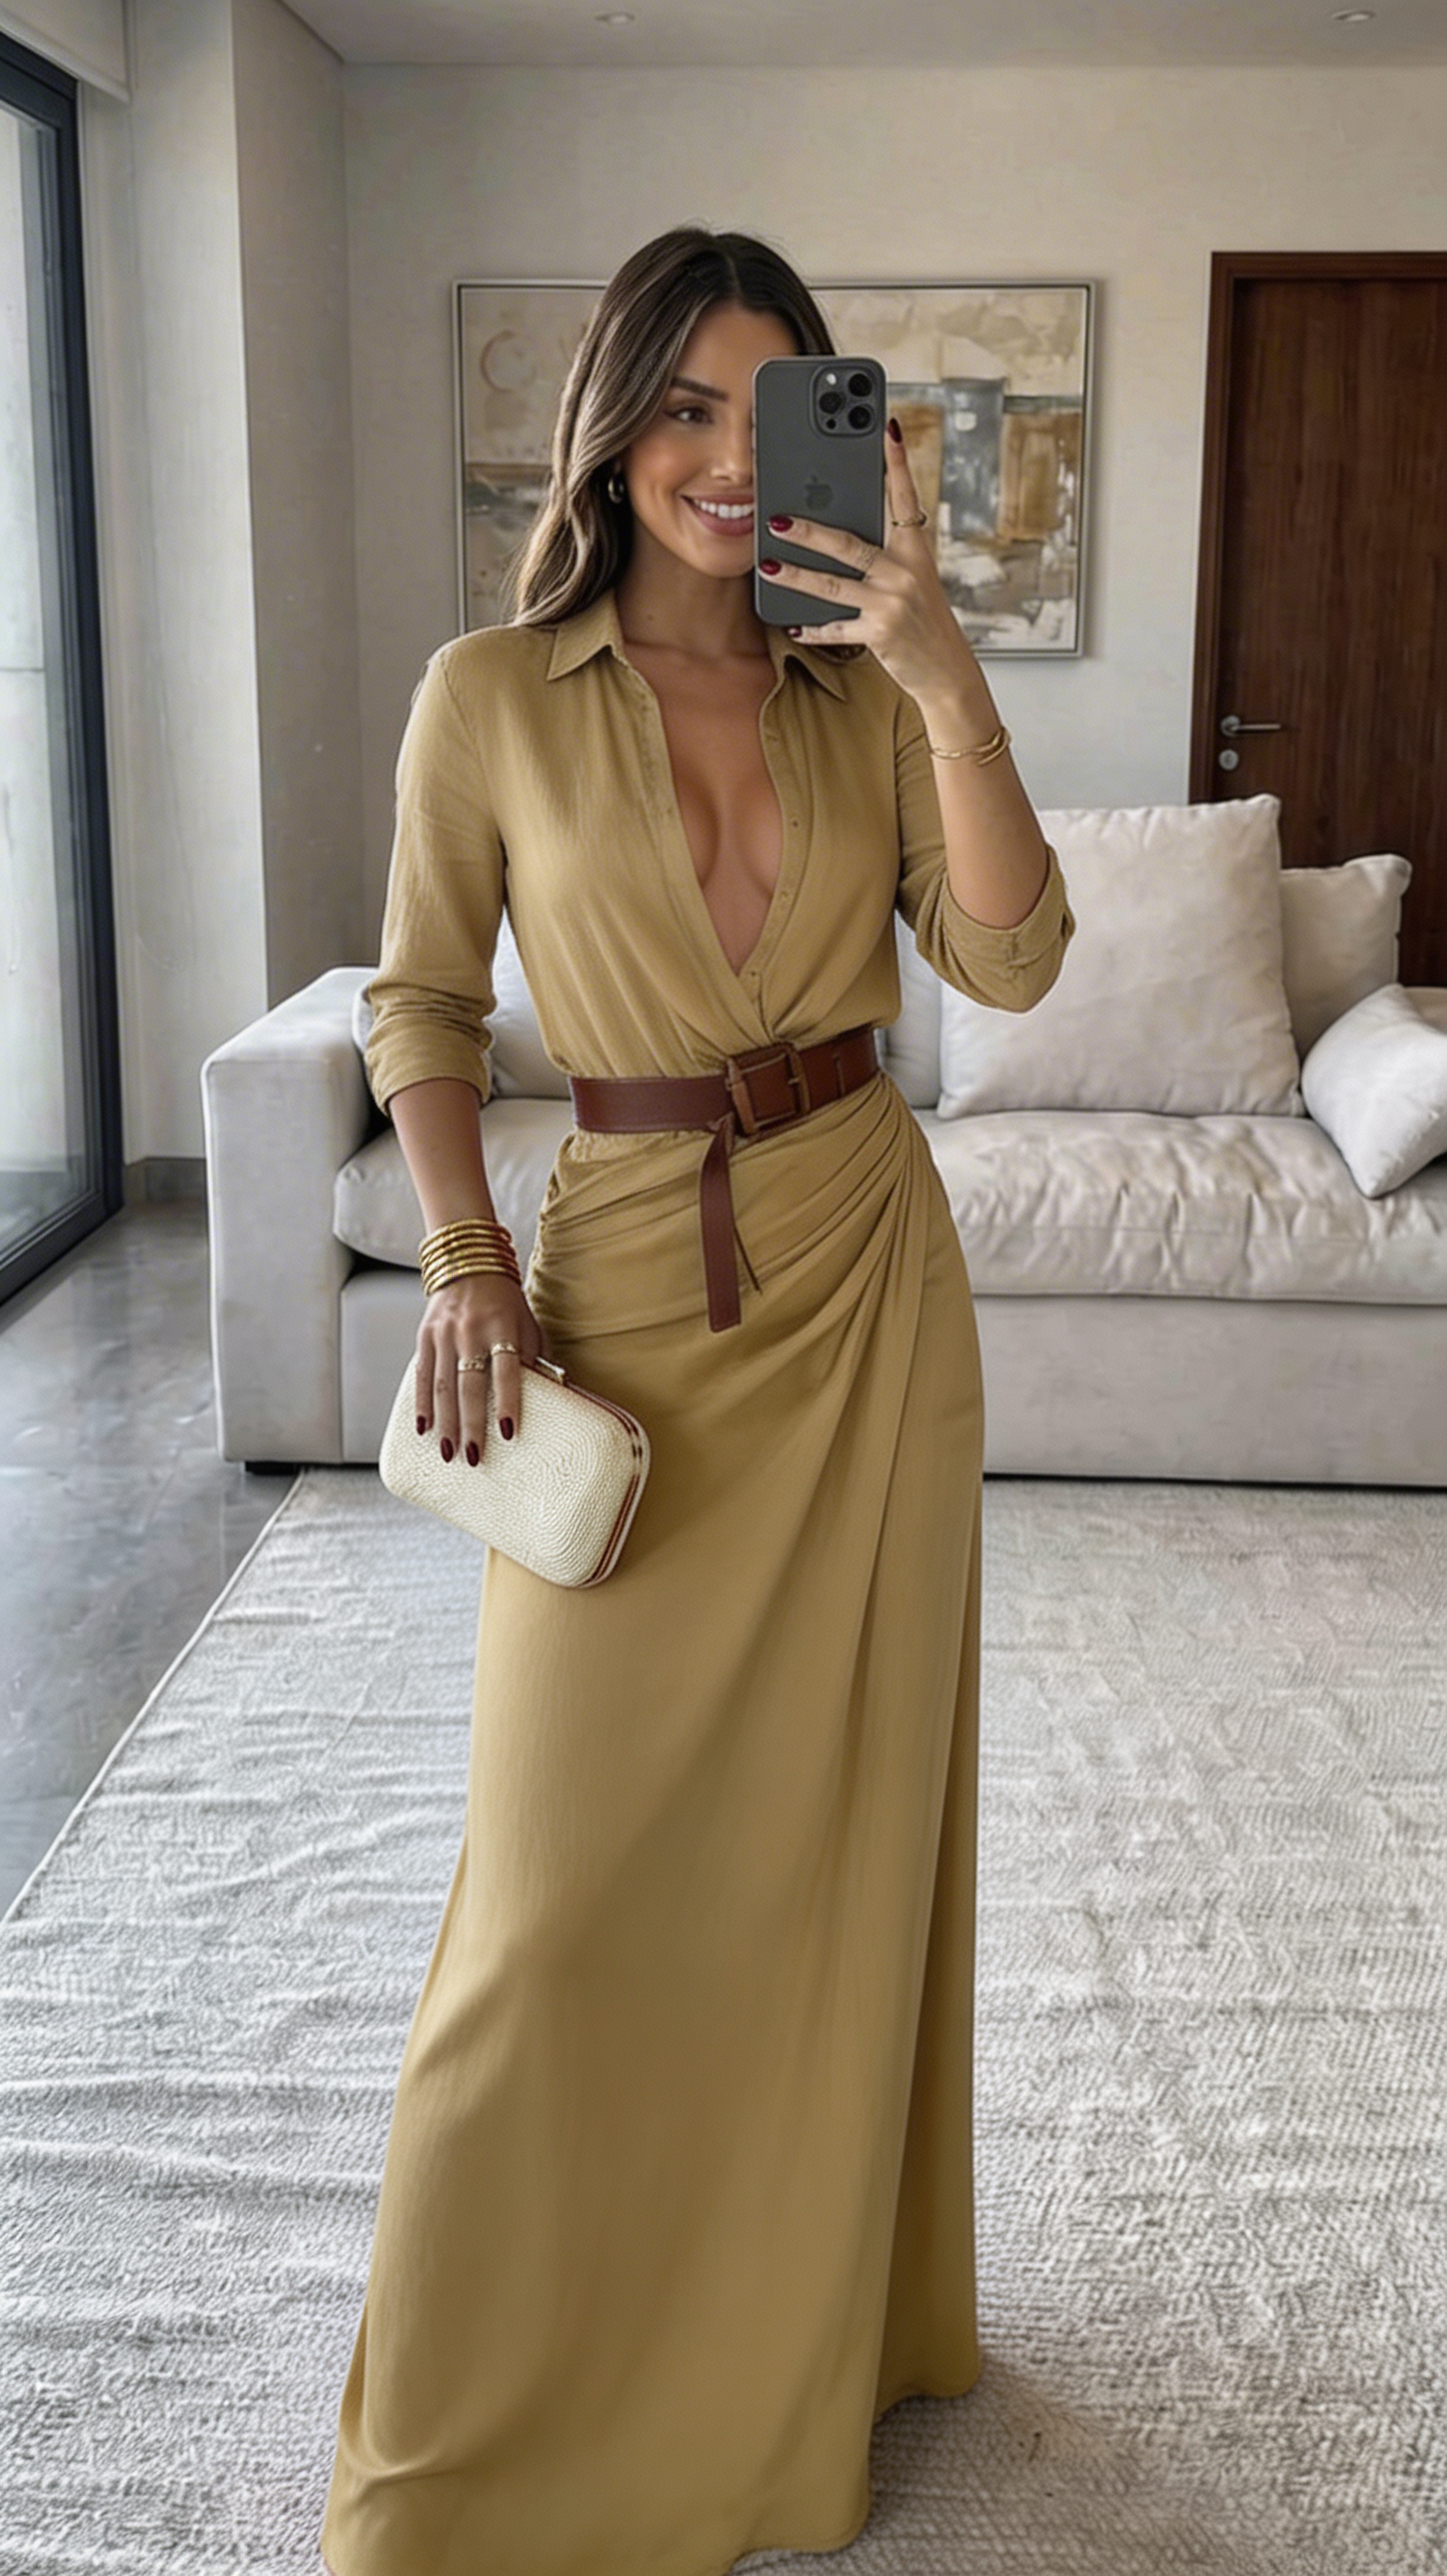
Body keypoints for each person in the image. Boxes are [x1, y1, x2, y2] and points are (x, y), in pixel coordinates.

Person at [319, 223, 1075, 2576]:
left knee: (834, 1865)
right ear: (610, 427)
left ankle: (786, 2367)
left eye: (778, 412)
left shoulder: (861, 697)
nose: (732, 461)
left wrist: (943, 671)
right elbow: (421, 1001)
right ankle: (471, 2431)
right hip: (632, 1295)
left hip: (869, 1293)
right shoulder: (490, 696)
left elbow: (1014, 960)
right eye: (686, 408)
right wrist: (467, 1257)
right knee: (551, 1904)